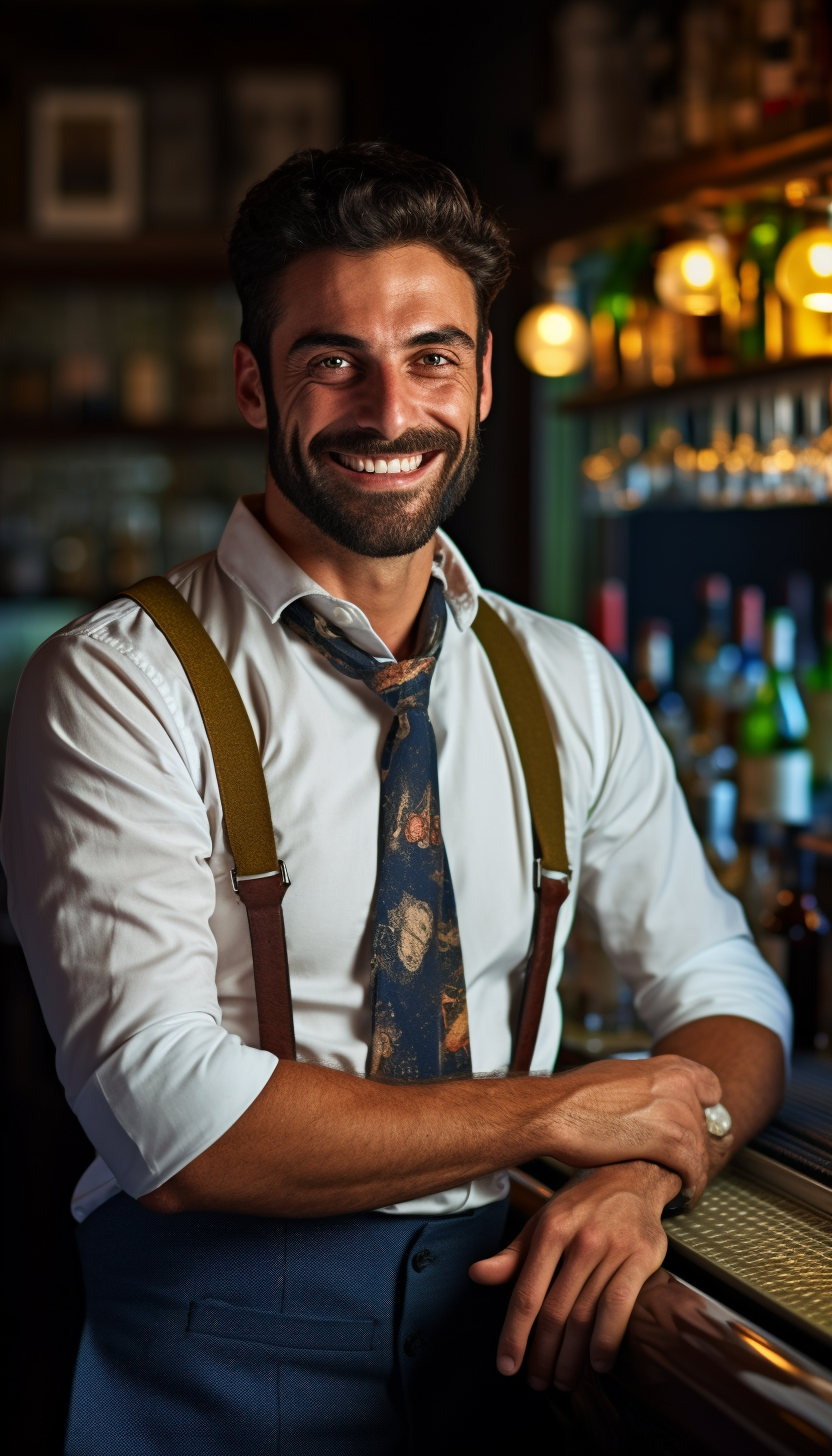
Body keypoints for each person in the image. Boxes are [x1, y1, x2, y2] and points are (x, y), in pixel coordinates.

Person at [1, 143, 790, 1456]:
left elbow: (727, 992)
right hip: (213, 1365)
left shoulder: (564, 679)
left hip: (511, 1349)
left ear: (483, 380)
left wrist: (651, 1166)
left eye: (431, 358)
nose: (389, 409)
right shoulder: (114, 685)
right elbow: (171, 1120)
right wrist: (555, 1110)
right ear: (256, 382)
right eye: (334, 361)